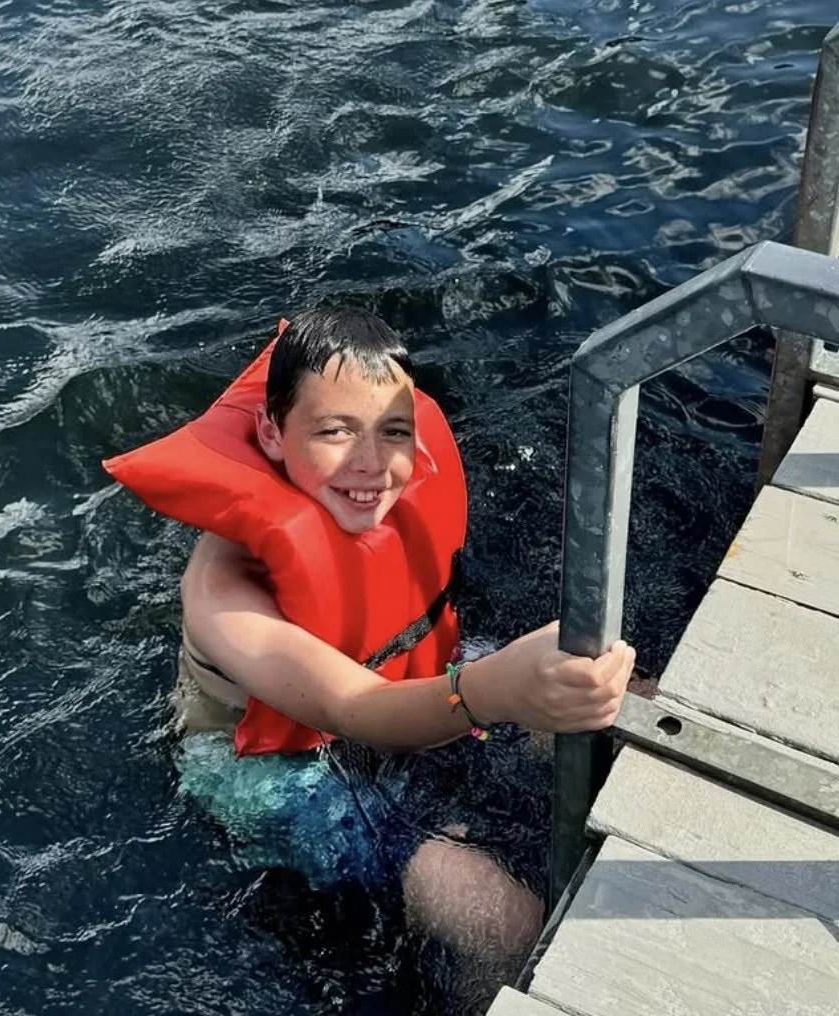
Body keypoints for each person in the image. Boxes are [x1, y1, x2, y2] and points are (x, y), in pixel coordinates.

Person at [104, 308, 635, 1002]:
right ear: (271, 432)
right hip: (271, 763)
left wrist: (539, 687)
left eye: (393, 432)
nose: (370, 464)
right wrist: (496, 691)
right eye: (333, 432)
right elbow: (351, 706)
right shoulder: (222, 592)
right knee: (500, 921)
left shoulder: (382, 498)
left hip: (399, 671)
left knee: (625, 703)